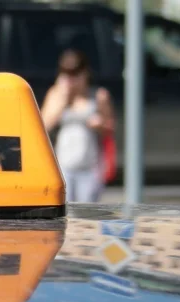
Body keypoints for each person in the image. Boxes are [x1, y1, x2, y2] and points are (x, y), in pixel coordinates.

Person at [40, 49, 115, 203]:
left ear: (85, 73)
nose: (72, 79)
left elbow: (110, 127)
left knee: (86, 209)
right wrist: (63, 101)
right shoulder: (56, 95)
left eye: (76, 74)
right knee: (65, 207)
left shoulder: (98, 96)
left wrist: (100, 125)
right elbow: (42, 127)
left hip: (90, 166)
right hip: (63, 165)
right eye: (67, 74)